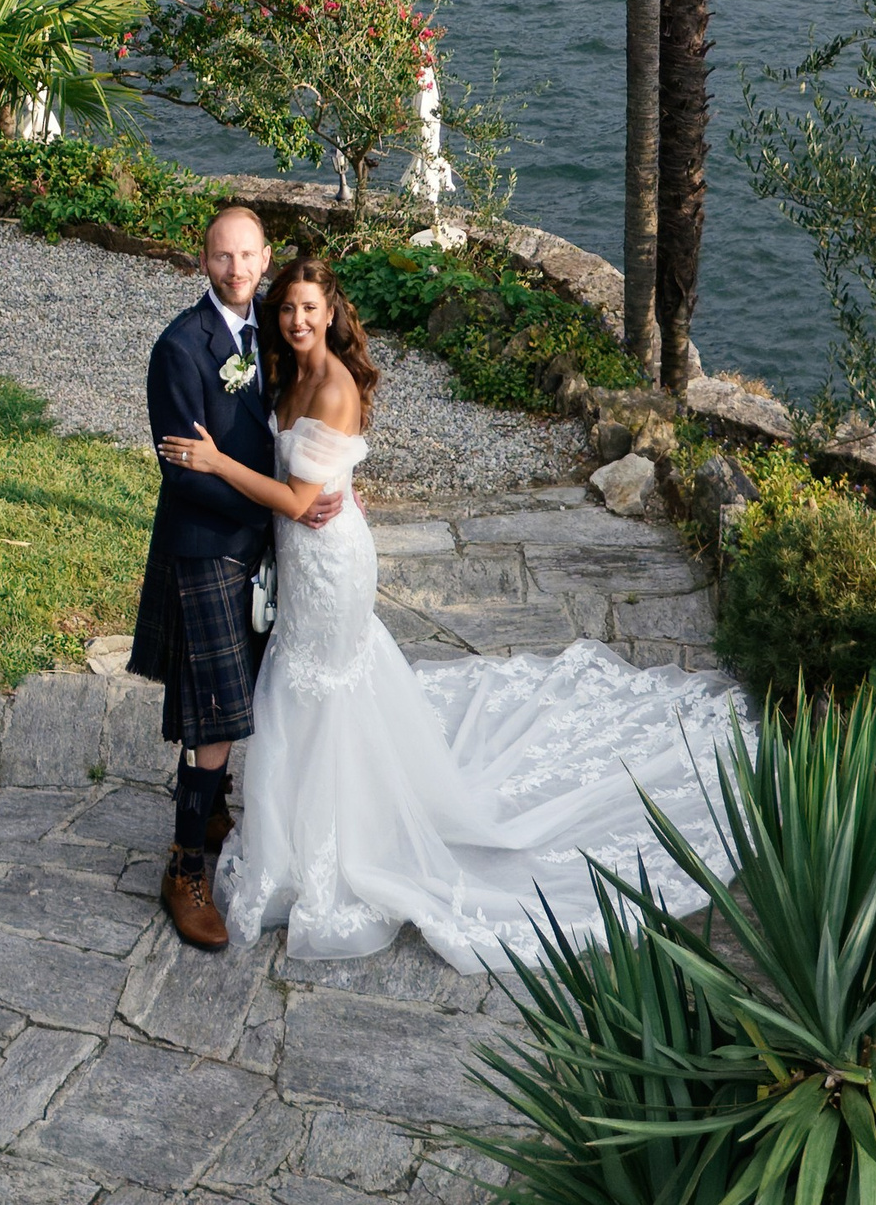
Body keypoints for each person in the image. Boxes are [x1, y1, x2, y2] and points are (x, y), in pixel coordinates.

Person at [158, 249, 747, 972]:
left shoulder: (334, 386)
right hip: (301, 556)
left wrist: (217, 462)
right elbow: (304, 472)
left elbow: (299, 500)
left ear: (333, 311)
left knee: (314, 688)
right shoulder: (287, 370)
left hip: (329, 563)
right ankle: (296, 837)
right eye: (287, 308)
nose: (296, 319)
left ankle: (333, 850)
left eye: (310, 308)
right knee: (301, 687)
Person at [127, 201, 342, 950]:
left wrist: (318, 486)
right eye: (223, 257)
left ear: (264, 256)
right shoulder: (180, 349)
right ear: (202, 262)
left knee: (248, 690)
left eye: (249, 256)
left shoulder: (274, 335)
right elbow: (185, 474)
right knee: (216, 715)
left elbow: (307, 430)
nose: (238, 269)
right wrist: (281, 510)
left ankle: (212, 806)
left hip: (261, 545)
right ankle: (183, 867)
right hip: (209, 545)